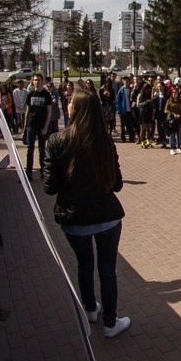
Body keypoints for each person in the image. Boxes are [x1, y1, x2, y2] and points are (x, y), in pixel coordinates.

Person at [42, 89, 130, 338]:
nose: (68, 105)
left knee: (85, 263)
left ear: (77, 109)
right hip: (105, 216)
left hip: (76, 217)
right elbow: (116, 184)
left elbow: (49, 187)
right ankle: (109, 322)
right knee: (106, 268)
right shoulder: (103, 141)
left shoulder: (57, 141)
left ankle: (92, 309)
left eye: (71, 102)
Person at [24, 73, 53, 174]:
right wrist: (25, 127)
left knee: (42, 151)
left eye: (39, 80)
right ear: (33, 81)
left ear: (42, 81)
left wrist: (45, 127)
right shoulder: (30, 94)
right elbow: (27, 112)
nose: (37, 82)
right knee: (30, 149)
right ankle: (28, 173)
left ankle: (43, 172)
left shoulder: (46, 95)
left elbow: (49, 112)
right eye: (35, 80)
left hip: (42, 125)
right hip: (31, 125)